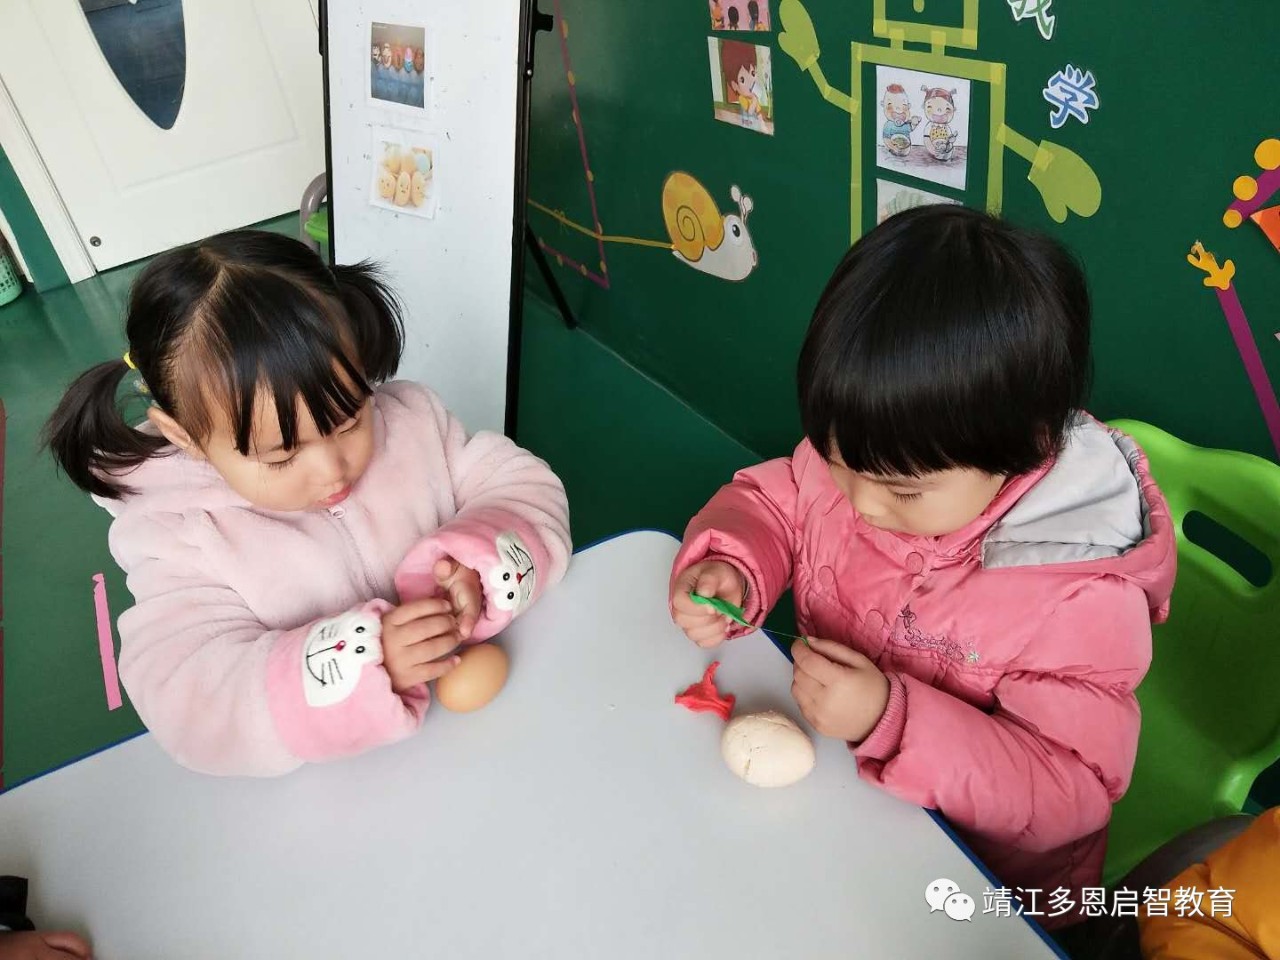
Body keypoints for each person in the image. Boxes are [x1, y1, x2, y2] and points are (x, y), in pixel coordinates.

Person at [668, 205, 1176, 930]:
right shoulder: (875, 457)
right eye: (839, 462)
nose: (862, 504)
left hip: (989, 894)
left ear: (1023, 447)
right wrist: (734, 562)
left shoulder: (1078, 597)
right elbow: (777, 503)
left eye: (902, 489)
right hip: (851, 810)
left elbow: (1070, 789)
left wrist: (890, 718)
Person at [46, 230, 570, 777]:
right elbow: (189, 696)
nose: (332, 471)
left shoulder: (414, 424)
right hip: (352, 793)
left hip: (491, 758)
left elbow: (519, 485)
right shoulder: (182, 536)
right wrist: (369, 660)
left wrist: (478, 562)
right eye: (280, 457)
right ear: (185, 436)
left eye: (349, 421)